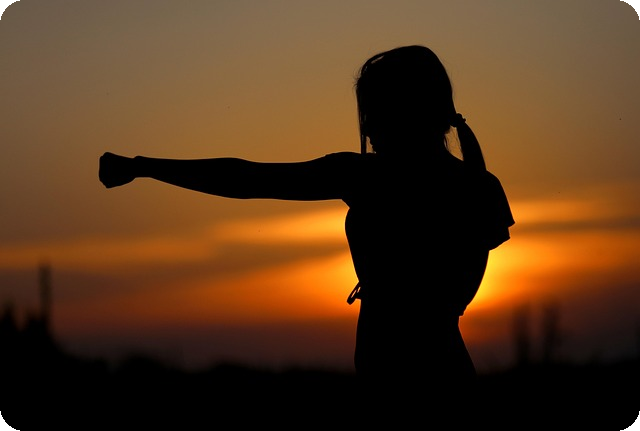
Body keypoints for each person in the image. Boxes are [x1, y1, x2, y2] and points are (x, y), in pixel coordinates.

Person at [99, 45, 514, 391]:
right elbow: (457, 292)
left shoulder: (368, 178)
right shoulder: (480, 187)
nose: (368, 128)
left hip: (396, 378)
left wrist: (144, 166)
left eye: (374, 111)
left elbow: (248, 178)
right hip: (445, 372)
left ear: (405, 110)